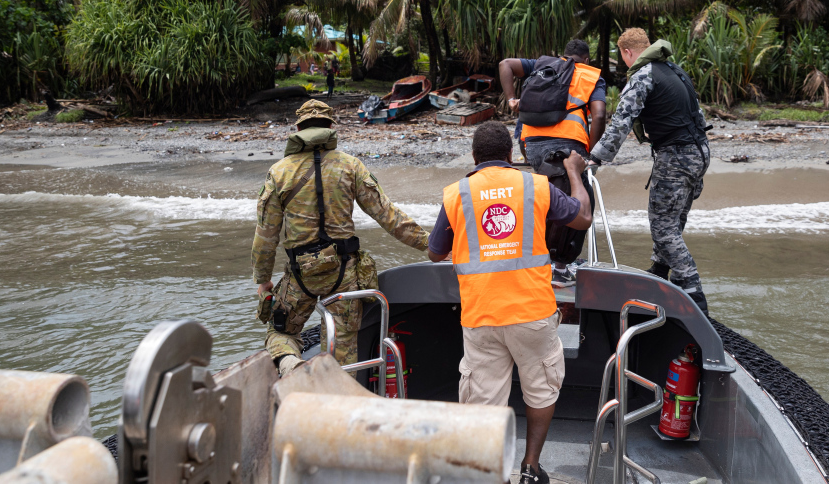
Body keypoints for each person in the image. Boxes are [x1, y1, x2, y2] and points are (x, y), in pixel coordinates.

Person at [427, 122, 591, 484]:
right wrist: (574, 173)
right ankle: (531, 468)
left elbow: (436, 252)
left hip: (480, 317)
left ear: (474, 158)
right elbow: (583, 217)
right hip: (532, 312)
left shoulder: (456, 193)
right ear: (511, 156)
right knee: (541, 388)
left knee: (483, 403)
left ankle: (494, 475)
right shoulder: (536, 185)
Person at [252, 99, 429, 376]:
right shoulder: (351, 166)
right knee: (343, 351)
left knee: (280, 332)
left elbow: (266, 236)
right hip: (343, 273)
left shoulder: (279, 172)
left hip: (301, 276)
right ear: (332, 126)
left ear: (297, 128)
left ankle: (292, 366)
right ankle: (340, 394)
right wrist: (432, 246)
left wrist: (263, 281)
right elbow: (388, 216)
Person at [588, 28, 712, 315]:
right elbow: (697, 114)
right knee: (675, 219)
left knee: (664, 225)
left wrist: (596, 158)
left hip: (676, 157)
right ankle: (659, 270)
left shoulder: (643, 76)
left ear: (627, 52)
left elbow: (621, 121)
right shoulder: (673, 70)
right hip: (699, 153)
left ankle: (694, 294)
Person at [498, 39, 606, 287]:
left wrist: (512, 99)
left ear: (563, 55)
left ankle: (535, 260)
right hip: (569, 146)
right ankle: (560, 267)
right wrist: (589, 155)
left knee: (540, 198)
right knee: (580, 200)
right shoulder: (590, 75)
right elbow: (599, 115)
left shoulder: (542, 64)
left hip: (530, 146)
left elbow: (505, 64)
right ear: (586, 60)